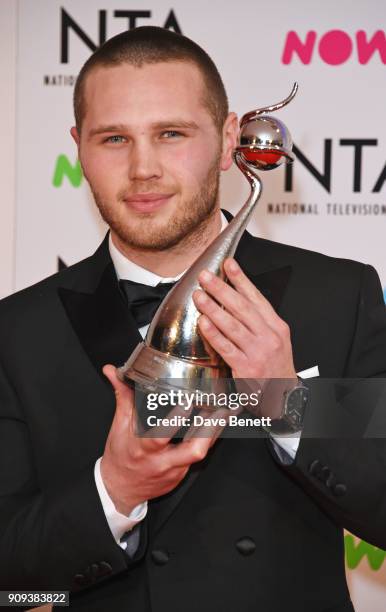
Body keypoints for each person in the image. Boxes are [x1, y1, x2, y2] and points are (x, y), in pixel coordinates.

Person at [0, 26, 385, 612]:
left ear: (229, 138)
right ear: (77, 146)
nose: (143, 168)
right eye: (113, 139)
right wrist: (114, 492)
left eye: (171, 133)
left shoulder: (336, 296)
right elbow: (12, 586)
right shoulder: (20, 331)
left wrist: (286, 405)